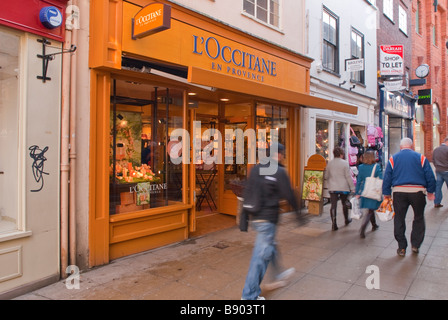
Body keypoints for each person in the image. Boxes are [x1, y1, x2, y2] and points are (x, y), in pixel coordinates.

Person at [240, 142, 302, 300]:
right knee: (259, 258)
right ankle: (249, 296)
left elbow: (248, 191)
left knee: (270, 246)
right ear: (279, 154)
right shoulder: (279, 171)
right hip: (267, 219)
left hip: (256, 217)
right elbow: (289, 194)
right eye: (283, 153)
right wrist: (299, 215)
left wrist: (244, 217)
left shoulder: (256, 168)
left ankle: (278, 273)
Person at [382, 138, 436, 257]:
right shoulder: (421, 158)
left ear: (401, 147)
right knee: (419, 217)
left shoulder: (393, 159)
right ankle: (415, 244)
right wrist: (431, 191)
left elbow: (387, 177)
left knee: (399, 218)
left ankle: (401, 246)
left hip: (399, 192)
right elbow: (430, 175)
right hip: (417, 192)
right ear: (411, 147)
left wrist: (386, 192)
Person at [324, 147, 356, 230]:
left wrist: (330, 182)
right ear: (341, 154)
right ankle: (346, 219)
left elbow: (326, 176)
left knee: (333, 205)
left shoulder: (329, 163)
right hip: (343, 187)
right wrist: (352, 187)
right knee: (344, 204)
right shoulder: (345, 163)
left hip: (333, 188)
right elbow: (348, 177)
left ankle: (334, 224)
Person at [355, 150, 381, 238]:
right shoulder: (376, 167)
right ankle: (363, 228)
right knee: (370, 211)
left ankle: (374, 225)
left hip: (365, 191)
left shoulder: (361, 167)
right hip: (373, 191)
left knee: (370, 209)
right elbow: (381, 178)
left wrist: (357, 192)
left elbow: (359, 181)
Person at [432, 136, 448, 208]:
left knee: (438, 187)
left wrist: (437, 166)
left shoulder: (436, 150)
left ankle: (436, 202)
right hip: (446, 171)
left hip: (438, 171)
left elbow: (433, 160)